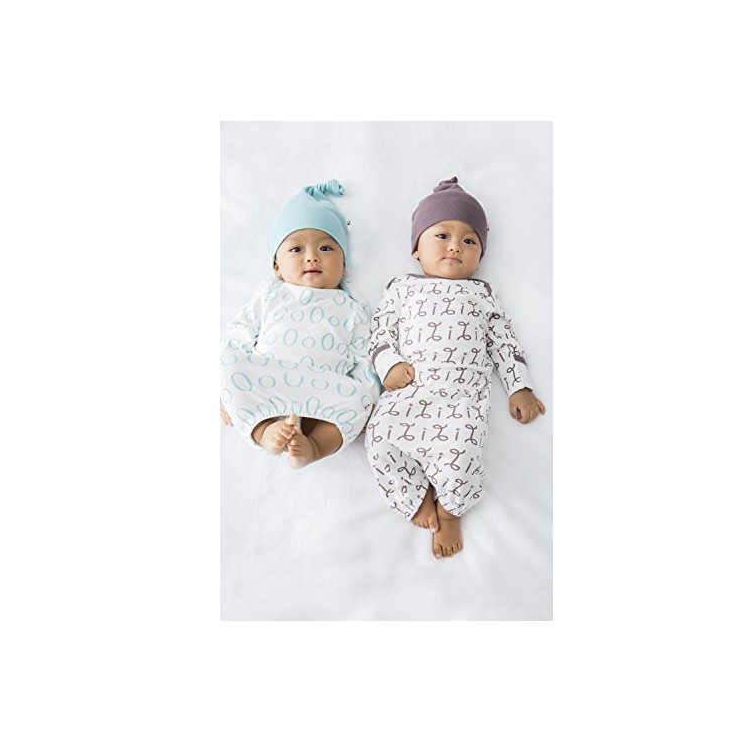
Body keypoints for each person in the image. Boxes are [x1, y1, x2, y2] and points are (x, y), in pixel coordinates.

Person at [365, 177, 545, 558]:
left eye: (469, 241)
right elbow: (380, 330)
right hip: (409, 393)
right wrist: (388, 365)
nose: (455, 246)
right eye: (442, 235)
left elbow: (504, 341)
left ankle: (449, 510)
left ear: (480, 255)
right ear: (417, 248)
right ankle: (415, 499)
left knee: (463, 458)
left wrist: (520, 386)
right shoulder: (402, 289)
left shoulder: (482, 294)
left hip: (462, 402)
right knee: (379, 440)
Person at [220, 180, 380, 468]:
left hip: (324, 389)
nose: (312, 256)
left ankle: (314, 446)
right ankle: (265, 430)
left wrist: (366, 400)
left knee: (363, 398)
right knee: (228, 365)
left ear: (343, 265)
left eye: (326, 248)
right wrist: (227, 390)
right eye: (296, 249)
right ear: (277, 267)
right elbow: (238, 336)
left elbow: (363, 358)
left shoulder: (351, 306)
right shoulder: (270, 295)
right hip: (271, 382)